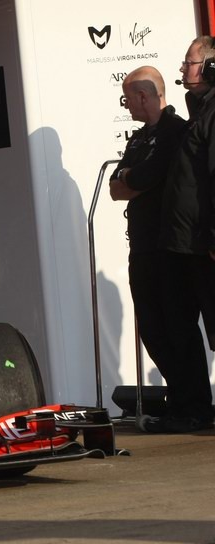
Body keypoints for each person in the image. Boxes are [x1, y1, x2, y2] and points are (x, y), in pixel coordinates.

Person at [148, 36, 215, 433]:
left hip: (203, 245)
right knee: (179, 326)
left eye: (189, 62)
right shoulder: (200, 110)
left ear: (210, 66)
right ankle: (192, 407)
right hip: (184, 244)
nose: (182, 69)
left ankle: (195, 407)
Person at [108, 67, 187, 397]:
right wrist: (132, 177)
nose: (126, 105)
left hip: (169, 246)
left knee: (177, 326)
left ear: (143, 96)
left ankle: (194, 403)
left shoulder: (176, 130)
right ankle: (180, 396)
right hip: (141, 247)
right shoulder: (139, 137)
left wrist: (133, 177)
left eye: (127, 98)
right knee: (152, 328)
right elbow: (116, 187)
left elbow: (146, 178)